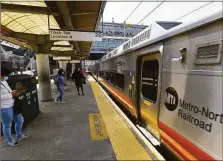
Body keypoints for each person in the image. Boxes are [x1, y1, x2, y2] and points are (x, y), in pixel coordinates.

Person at [1, 66, 29, 147]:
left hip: (13, 104)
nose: (6, 77)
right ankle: (10, 141)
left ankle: (19, 136)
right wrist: (11, 94)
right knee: (7, 125)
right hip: (4, 107)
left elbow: (8, 91)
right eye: (5, 75)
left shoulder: (4, 81)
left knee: (20, 120)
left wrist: (12, 92)